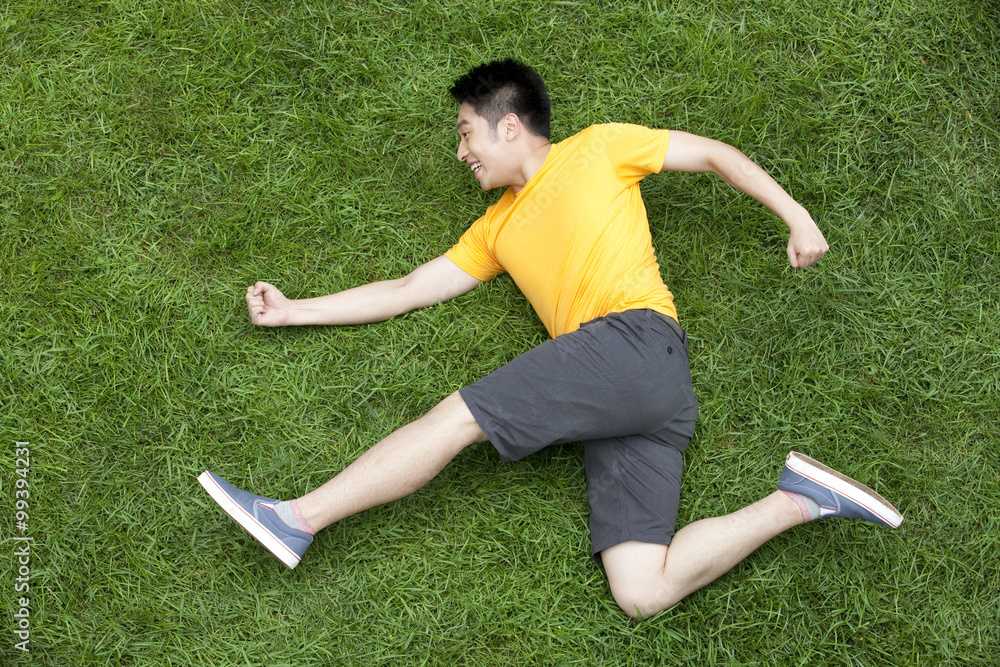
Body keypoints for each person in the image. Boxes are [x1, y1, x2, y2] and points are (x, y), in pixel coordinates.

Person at [199, 59, 902, 619]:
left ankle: (299, 517)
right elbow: (407, 288)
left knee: (459, 416)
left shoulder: (598, 148)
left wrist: (797, 214)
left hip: (632, 338)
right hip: (645, 394)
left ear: (510, 126)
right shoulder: (496, 229)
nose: (460, 151)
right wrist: (295, 311)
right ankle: (800, 499)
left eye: (466, 131)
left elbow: (714, 154)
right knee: (641, 590)